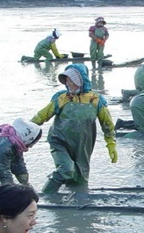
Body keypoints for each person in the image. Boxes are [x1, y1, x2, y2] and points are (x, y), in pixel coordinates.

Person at [31, 64, 118, 193]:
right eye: (67, 80)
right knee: (66, 168)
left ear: (82, 81)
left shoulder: (95, 100)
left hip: (82, 145)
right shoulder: (62, 98)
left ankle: (75, 203)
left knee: (80, 179)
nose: (69, 84)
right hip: (59, 141)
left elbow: (107, 124)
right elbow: (42, 116)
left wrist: (111, 144)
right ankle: (44, 196)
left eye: (73, 81)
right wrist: (25, 131)